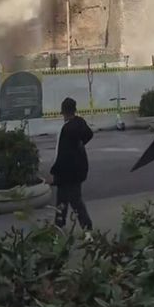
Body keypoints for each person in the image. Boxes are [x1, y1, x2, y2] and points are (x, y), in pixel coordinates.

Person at [47, 97, 94, 229]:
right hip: (79, 168)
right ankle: (59, 225)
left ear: (64, 112)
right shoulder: (80, 122)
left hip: (67, 172)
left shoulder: (66, 129)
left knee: (72, 200)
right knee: (65, 199)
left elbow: (61, 154)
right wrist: (80, 144)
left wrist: (53, 172)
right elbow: (89, 134)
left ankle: (85, 226)